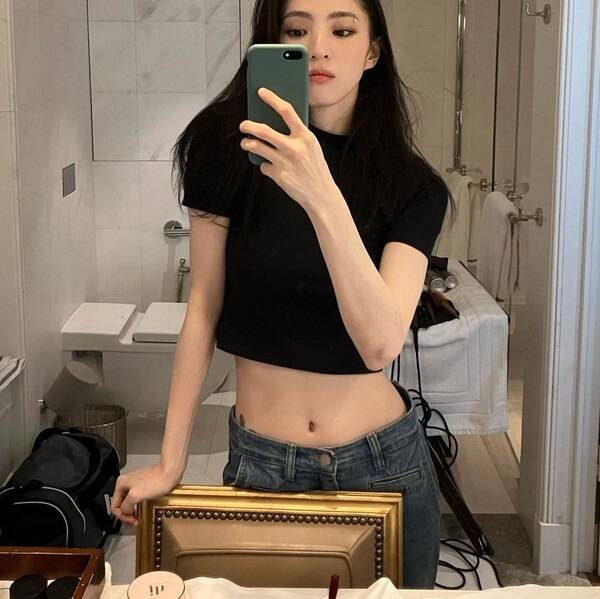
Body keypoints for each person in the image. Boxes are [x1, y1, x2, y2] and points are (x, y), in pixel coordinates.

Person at [111, 0, 456, 589]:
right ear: (269, 45)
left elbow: (379, 345)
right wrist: (169, 461)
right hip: (263, 462)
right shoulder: (225, 152)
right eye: (296, 30)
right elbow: (203, 309)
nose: (318, 46)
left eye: (342, 29)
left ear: (372, 53)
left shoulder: (412, 186)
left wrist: (321, 193)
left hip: (385, 464)